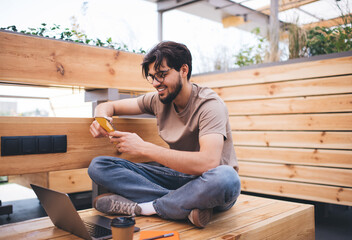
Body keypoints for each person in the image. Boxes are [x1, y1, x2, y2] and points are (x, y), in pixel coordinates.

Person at [88, 41, 240, 228]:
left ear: (183, 70)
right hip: (176, 178)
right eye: (152, 77)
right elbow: (109, 105)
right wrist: (100, 118)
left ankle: (144, 208)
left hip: (209, 183)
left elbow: (208, 163)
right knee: (99, 166)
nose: (155, 83)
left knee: (227, 178)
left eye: (162, 75)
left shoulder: (209, 105)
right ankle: (183, 206)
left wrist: (144, 148)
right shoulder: (158, 100)